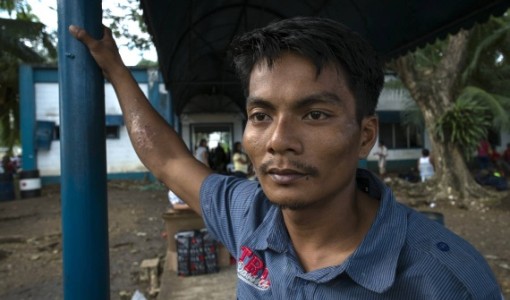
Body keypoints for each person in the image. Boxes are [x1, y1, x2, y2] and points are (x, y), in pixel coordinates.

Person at [69, 16, 501, 299]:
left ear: (365, 135)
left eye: (314, 114)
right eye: (261, 115)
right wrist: (116, 69)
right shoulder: (248, 215)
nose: (278, 141)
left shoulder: (445, 279)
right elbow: (165, 159)